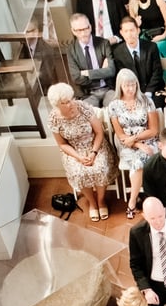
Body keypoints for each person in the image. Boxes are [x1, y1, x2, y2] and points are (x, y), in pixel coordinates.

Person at [47, 82, 115, 221]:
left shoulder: (83, 108)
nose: (71, 104)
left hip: (95, 145)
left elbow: (99, 132)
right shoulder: (54, 119)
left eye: (71, 99)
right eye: (65, 102)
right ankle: (92, 202)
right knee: (78, 173)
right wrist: (78, 157)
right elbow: (62, 144)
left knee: (100, 168)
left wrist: (93, 153)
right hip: (74, 150)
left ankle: (101, 200)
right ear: (57, 105)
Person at [111, 19, 164, 109]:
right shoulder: (117, 52)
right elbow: (121, 78)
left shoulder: (151, 47)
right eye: (126, 31)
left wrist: (148, 93)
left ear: (138, 30)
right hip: (131, 92)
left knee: (155, 106)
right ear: (121, 33)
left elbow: (157, 72)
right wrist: (134, 94)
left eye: (132, 30)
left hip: (153, 89)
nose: (129, 34)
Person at [66, 14, 116, 107]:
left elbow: (111, 71)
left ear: (90, 27)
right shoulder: (71, 50)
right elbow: (76, 78)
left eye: (86, 28)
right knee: (87, 112)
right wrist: (101, 72)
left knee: (115, 108)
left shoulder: (104, 43)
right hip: (88, 93)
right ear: (73, 31)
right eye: (79, 30)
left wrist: (87, 73)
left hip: (107, 89)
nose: (83, 33)